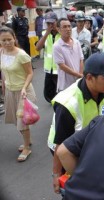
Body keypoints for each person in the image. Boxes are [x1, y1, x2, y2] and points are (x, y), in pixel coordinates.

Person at [48, 53, 104, 194]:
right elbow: (60, 146)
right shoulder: (67, 104)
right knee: (77, 186)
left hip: (89, 141)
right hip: (66, 148)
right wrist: (56, 174)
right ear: (89, 77)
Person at [0, 27, 36, 162]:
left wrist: (24, 88)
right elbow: (4, 72)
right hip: (10, 90)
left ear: (14, 38)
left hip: (24, 92)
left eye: (9, 39)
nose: (7, 42)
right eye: (3, 40)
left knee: (22, 120)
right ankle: (28, 139)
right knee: (17, 121)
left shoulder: (21, 54)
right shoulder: (1, 52)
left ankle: (26, 147)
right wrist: (4, 87)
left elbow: (30, 73)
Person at [35, 12, 60, 103]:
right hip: (49, 69)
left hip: (60, 69)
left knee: (61, 93)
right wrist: (46, 34)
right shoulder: (44, 34)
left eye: (52, 23)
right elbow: (37, 48)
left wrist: (59, 31)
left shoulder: (62, 33)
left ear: (57, 22)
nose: (50, 25)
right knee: (49, 94)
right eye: (48, 23)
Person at [53, 18, 84, 92]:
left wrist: (80, 74)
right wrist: (79, 75)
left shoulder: (76, 42)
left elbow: (81, 59)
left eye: (69, 26)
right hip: (65, 85)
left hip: (78, 82)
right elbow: (62, 66)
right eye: (64, 27)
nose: (68, 29)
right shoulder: (57, 46)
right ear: (58, 29)